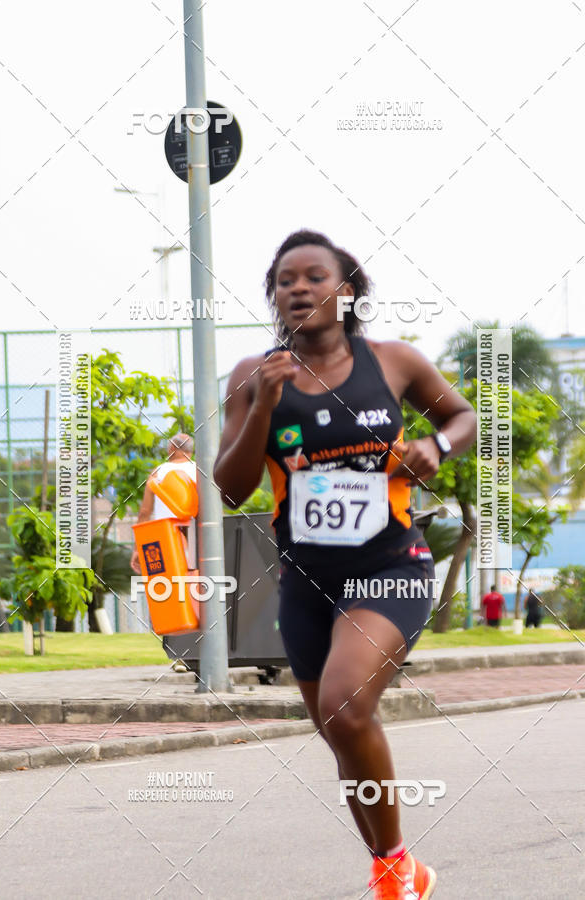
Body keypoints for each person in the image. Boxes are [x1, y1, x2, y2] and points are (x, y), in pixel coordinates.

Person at [213, 229, 476, 898]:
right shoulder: (253, 376)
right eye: (284, 280)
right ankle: (399, 866)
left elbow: (462, 417)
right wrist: (264, 407)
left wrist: (437, 448)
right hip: (303, 583)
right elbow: (230, 486)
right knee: (339, 728)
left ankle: (392, 877)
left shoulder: (392, 362)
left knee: (345, 706)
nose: (297, 288)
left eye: (313, 276)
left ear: (346, 290)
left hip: (389, 567)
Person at [130, 433, 197, 575]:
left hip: (165, 539)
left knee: (167, 587)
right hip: (196, 541)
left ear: (171, 448)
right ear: (190, 451)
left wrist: (138, 549)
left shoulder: (158, 472)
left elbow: (144, 513)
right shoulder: (200, 471)